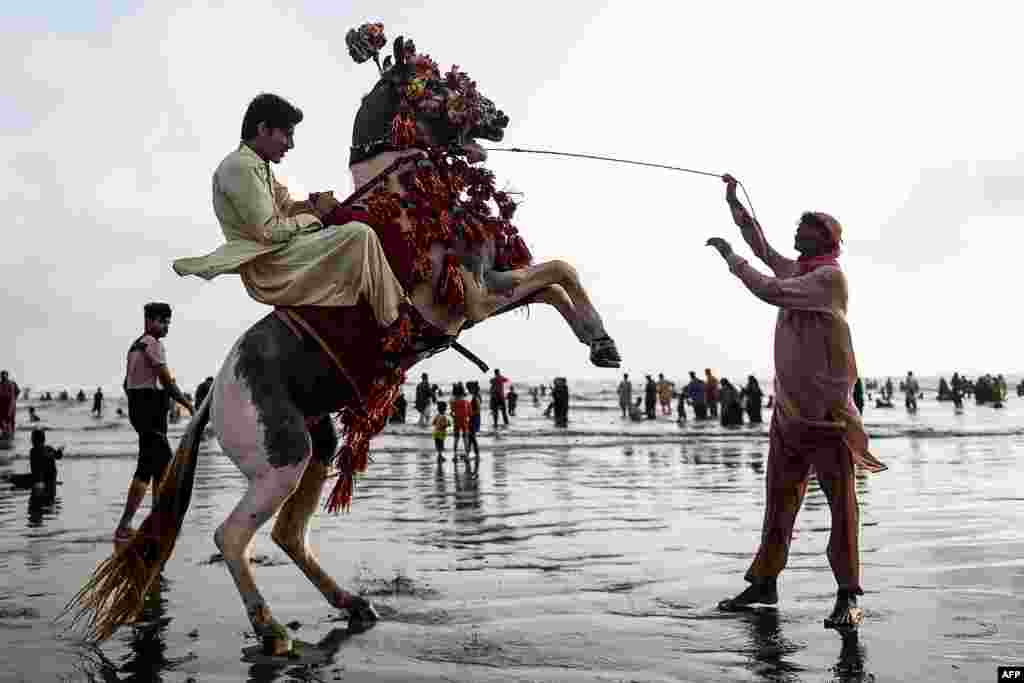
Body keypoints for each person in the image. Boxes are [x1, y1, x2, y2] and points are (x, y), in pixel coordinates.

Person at [707, 174, 886, 629]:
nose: (794, 235)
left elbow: (770, 289)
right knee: (778, 504)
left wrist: (732, 259)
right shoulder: (803, 270)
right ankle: (764, 583)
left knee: (842, 508)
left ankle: (849, 595)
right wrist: (733, 203)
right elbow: (765, 248)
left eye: (803, 231)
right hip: (787, 417)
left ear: (823, 239)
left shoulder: (828, 279)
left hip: (827, 420)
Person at [172, 93, 406, 332]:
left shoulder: (258, 164)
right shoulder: (240, 166)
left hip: (283, 249)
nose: (291, 145)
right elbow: (269, 231)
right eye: (287, 134)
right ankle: (395, 322)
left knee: (357, 229)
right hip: (270, 263)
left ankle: (392, 308)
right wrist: (315, 217)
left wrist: (315, 203)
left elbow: (288, 206)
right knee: (359, 235)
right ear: (264, 129)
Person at [113, 302, 194, 544]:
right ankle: (126, 526)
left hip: (142, 412)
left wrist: (138, 406)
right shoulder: (154, 344)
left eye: (169, 321)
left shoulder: (134, 346)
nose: (167, 326)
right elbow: (167, 382)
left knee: (154, 468)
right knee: (159, 468)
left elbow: (126, 384)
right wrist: (187, 405)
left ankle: (155, 522)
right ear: (150, 320)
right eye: (164, 321)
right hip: (150, 414)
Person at [29, 428, 63, 498]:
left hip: (41, 479)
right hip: (50, 478)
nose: (31, 441)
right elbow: (58, 456)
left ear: (34, 440)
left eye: (32, 439)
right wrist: (59, 451)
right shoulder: (49, 448)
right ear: (44, 440)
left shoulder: (33, 451)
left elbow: (34, 468)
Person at [450, 383, 471, 460]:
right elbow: (470, 414)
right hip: (465, 422)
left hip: (456, 422)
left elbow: (452, 413)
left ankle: (455, 455)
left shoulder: (453, 403)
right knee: (465, 439)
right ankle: (467, 455)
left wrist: (454, 417)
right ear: (463, 393)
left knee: (456, 439)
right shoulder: (467, 402)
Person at [0, 370, 20, 436]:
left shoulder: (12, 383)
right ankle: (5, 433)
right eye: (2, 375)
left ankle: (11, 435)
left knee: (11, 421)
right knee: (2, 421)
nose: (3, 377)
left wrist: (14, 399)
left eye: (4, 375)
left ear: (7, 376)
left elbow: (18, 391)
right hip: (2, 406)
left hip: (11, 405)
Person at [466, 381, 482, 459]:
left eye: (469, 389)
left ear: (473, 389)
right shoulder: (476, 396)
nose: (468, 390)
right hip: (474, 418)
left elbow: (478, 410)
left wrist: (469, 413)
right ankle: (470, 453)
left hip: (474, 418)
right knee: (471, 437)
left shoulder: (476, 397)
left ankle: (475, 454)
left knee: (471, 437)